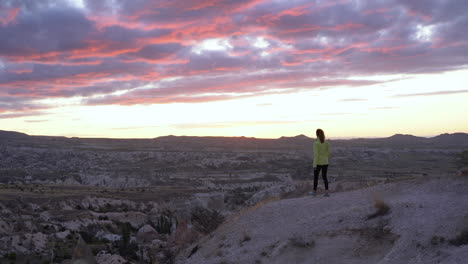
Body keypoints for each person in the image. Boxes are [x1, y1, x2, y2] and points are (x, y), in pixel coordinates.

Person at [310, 129, 331, 197]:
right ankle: (327, 192)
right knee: (325, 177)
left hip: (318, 162)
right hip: (325, 162)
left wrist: (314, 164)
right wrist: (325, 158)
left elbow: (316, 155)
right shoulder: (327, 143)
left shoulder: (316, 143)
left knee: (316, 177)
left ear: (316, 134)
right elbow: (329, 153)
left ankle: (314, 192)